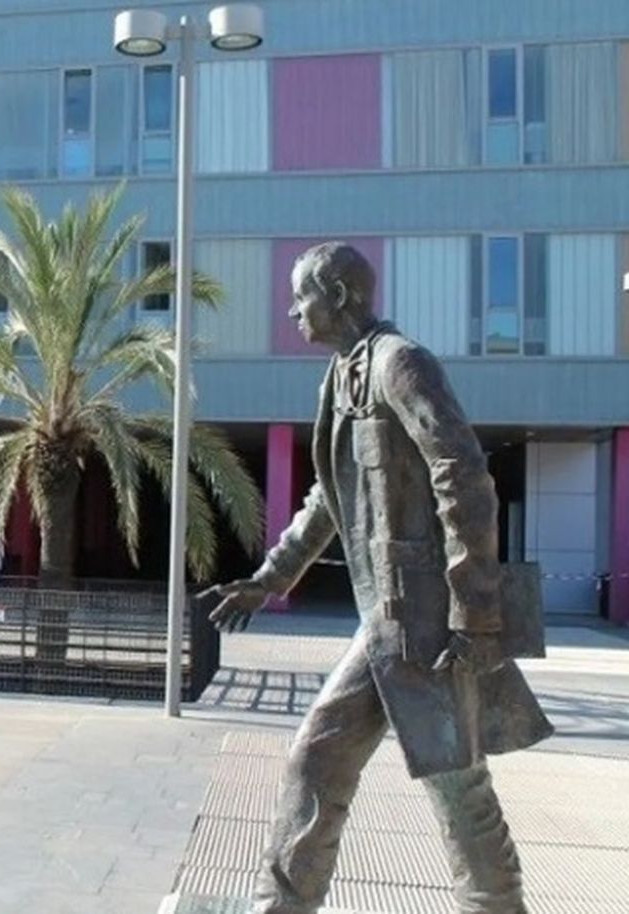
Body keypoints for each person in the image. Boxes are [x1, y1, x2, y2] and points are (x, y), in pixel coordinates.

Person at [206, 242, 552, 914]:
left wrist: (474, 613)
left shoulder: (401, 364)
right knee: (318, 758)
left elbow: (465, 476)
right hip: (385, 623)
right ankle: (282, 905)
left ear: (337, 294)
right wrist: (270, 579)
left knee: (458, 784)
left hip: (430, 622)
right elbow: (326, 502)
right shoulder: (342, 376)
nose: (291, 310)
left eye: (299, 295)